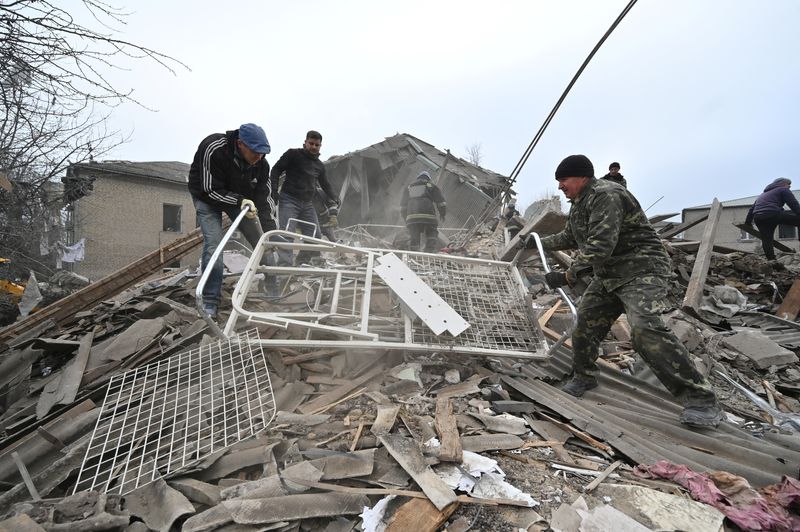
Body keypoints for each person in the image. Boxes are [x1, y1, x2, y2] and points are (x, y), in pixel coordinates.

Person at [527, 154, 723, 428]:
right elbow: (571, 237)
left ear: (582, 177)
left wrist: (568, 275)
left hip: (641, 270)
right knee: (584, 323)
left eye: (563, 180)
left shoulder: (607, 195)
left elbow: (599, 246)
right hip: (610, 274)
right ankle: (584, 376)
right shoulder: (580, 204)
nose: (560, 186)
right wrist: (535, 242)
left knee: (645, 329)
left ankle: (701, 399)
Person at [188, 123, 277, 318]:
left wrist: (271, 233)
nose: (259, 158)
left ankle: (272, 284)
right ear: (240, 144)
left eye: (263, 153)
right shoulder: (213, 148)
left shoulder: (261, 163)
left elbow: (264, 201)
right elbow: (208, 189)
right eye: (255, 153)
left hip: (240, 198)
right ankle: (210, 300)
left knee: (261, 240)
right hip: (206, 195)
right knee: (214, 245)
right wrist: (239, 200)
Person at [271, 130, 339, 265]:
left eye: (317, 145)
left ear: (320, 146)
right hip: (289, 199)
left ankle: (302, 262)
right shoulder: (293, 154)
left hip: (307, 204)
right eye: (311, 143)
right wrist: (273, 190)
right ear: (305, 143)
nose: (313, 147)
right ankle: (284, 268)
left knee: (315, 235)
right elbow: (276, 170)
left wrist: (334, 197)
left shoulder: (319, 165)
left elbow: (325, 184)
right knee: (287, 235)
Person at [744, 178, 800, 261]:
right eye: (788, 184)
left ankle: (772, 261)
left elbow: (752, 209)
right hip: (772, 214)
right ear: (782, 183)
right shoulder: (783, 189)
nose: (790, 186)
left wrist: (748, 223)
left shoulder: (763, 195)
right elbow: (793, 204)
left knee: (767, 239)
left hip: (758, 217)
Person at [400, 171, 447, 253]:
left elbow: (403, 206)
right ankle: (429, 251)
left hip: (412, 217)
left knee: (414, 235)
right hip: (428, 216)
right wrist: (442, 214)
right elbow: (441, 202)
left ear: (418, 178)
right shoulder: (431, 185)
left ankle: (414, 254)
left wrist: (406, 219)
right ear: (428, 179)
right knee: (432, 232)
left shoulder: (409, 187)